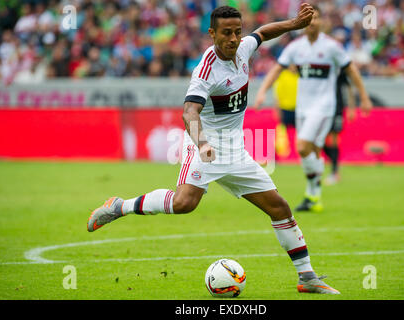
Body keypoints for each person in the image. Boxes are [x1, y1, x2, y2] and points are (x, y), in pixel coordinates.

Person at [87, 4, 340, 295]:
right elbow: (188, 113)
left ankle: (307, 278)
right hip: (204, 144)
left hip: (235, 149)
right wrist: (203, 143)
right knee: (184, 203)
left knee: (279, 207)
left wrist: (294, 23)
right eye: (226, 33)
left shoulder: (243, 47)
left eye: (236, 32)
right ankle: (121, 206)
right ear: (212, 34)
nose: (233, 39)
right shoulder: (206, 69)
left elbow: (262, 33)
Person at [254, 5, 372, 212]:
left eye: (315, 18)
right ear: (302, 22)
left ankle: (314, 191)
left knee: (301, 146)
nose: (312, 22)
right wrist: (263, 90)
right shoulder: (295, 48)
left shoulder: (331, 47)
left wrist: (363, 96)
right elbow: (276, 69)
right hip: (302, 108)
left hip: (324, 107)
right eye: (308, 18)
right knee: (313, 152)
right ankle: (313, 196)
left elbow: (351, 70)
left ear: (322, 22)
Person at [323, 66, 356, 185]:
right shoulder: (319, 65)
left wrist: (351, 108)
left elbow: (348, 87)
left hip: (337, 108)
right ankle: (334, 164)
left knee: (333, 139)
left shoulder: (338, 68)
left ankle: (335, 172)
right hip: (320, 108)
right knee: (320, 140)